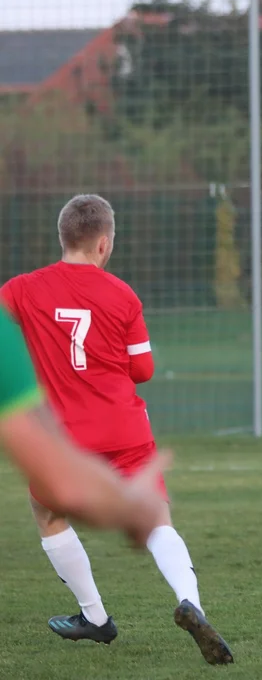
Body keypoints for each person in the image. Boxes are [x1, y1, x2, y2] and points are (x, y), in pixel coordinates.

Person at [0, 194, 233, 663]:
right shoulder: (122, 294)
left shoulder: (23, 289)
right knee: (157, 517)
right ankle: (191, 603)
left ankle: (96, 617)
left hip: (65, 438)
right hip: (126, 429)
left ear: (63, 237)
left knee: (47, 514)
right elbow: (143, 369)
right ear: (104, 243)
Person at [0, 305, 170, 546]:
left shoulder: (20, 299)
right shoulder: (4, 335)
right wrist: (132, 508)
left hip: (82, 423)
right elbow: (65, 486)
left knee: (45, 511)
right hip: (119, 423)